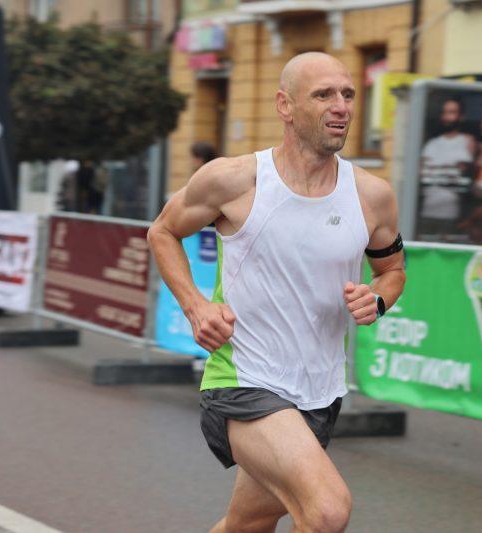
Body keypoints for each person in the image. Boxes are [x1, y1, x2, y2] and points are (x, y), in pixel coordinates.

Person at [147, 52, 406, 533]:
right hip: (244, 380)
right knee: (327, 511)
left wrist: (379, 298)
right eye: (323, 94)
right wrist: (196, 306)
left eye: (347, 94)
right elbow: (162, 231)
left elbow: (392, 269)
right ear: (285, 106)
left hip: (320, 392)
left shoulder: (372, 195)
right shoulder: (235, 179)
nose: (341, 106)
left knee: (246, 525)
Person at [418, 97, 475, 241]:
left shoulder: (467, 141)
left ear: (461, 116)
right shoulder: (431, 144)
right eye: (445, 112)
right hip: (427, 213)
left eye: (452, 112)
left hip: (453, 215)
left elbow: (466, 174)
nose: (447, 117)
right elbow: (422, 173)